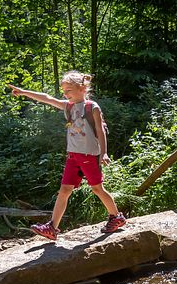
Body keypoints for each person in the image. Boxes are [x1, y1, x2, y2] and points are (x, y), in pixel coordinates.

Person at [8, 71, 126, 240]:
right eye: (64, 90)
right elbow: (47, 98)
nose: (65, 94)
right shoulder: (68, 106)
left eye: (69, 90)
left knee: (97, 189)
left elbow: (101, 131)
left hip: (89, 155)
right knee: (64, 190)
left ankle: (116, 217)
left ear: (82, 88)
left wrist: (104, 153)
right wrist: (24, 92)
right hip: (73, 156)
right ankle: (52, 227)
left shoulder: (92, 107)